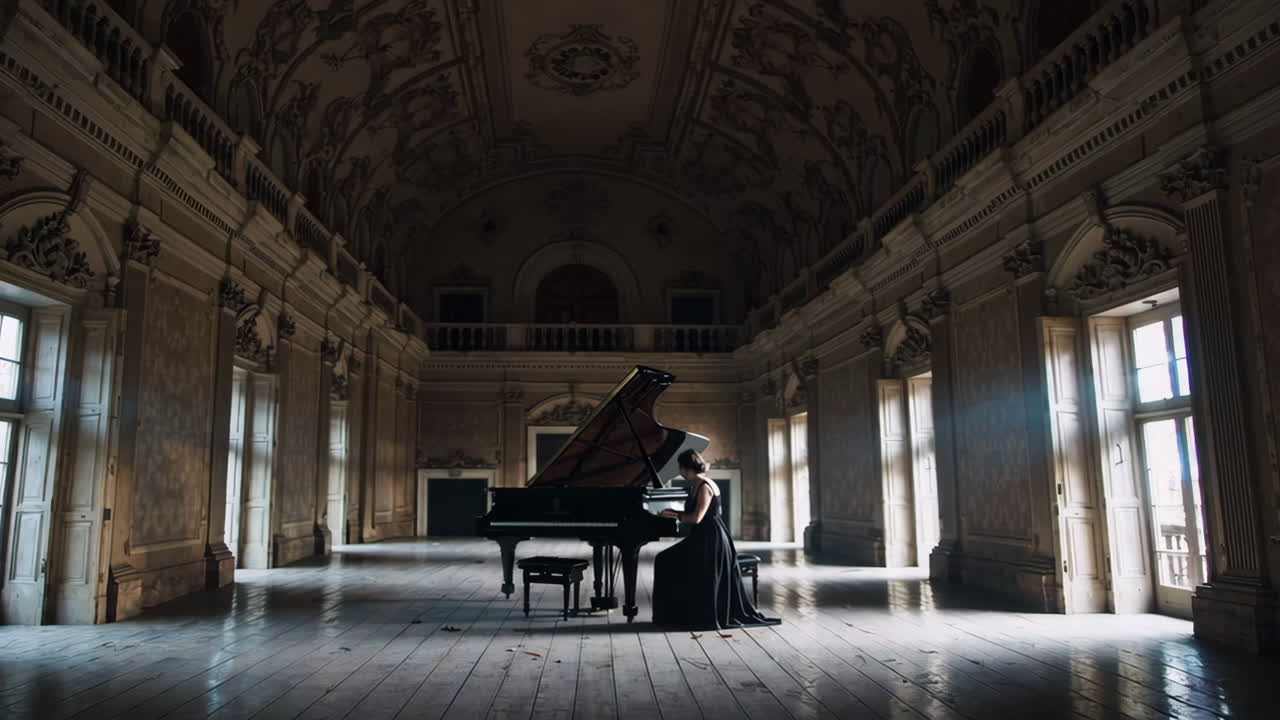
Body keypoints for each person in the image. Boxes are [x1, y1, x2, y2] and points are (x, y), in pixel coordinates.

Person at [651, 449, 781, 629]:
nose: (680, 472)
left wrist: (673, 515)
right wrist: (674, 513)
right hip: (704, 536)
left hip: (711, 540)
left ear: (687, 468)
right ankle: (679, 613)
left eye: (681, 468)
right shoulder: (697, 484)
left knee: (665, 560)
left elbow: (697, 518)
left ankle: (678, 615)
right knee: (666, 559)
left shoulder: (704, 486)